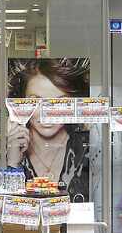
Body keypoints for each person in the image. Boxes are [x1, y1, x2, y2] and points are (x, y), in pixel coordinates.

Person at [6, 58, 90, 200]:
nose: (47, 113)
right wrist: (13, 163)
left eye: (60, 102)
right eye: (36, 101)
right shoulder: (9, 146)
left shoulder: (88, 148)